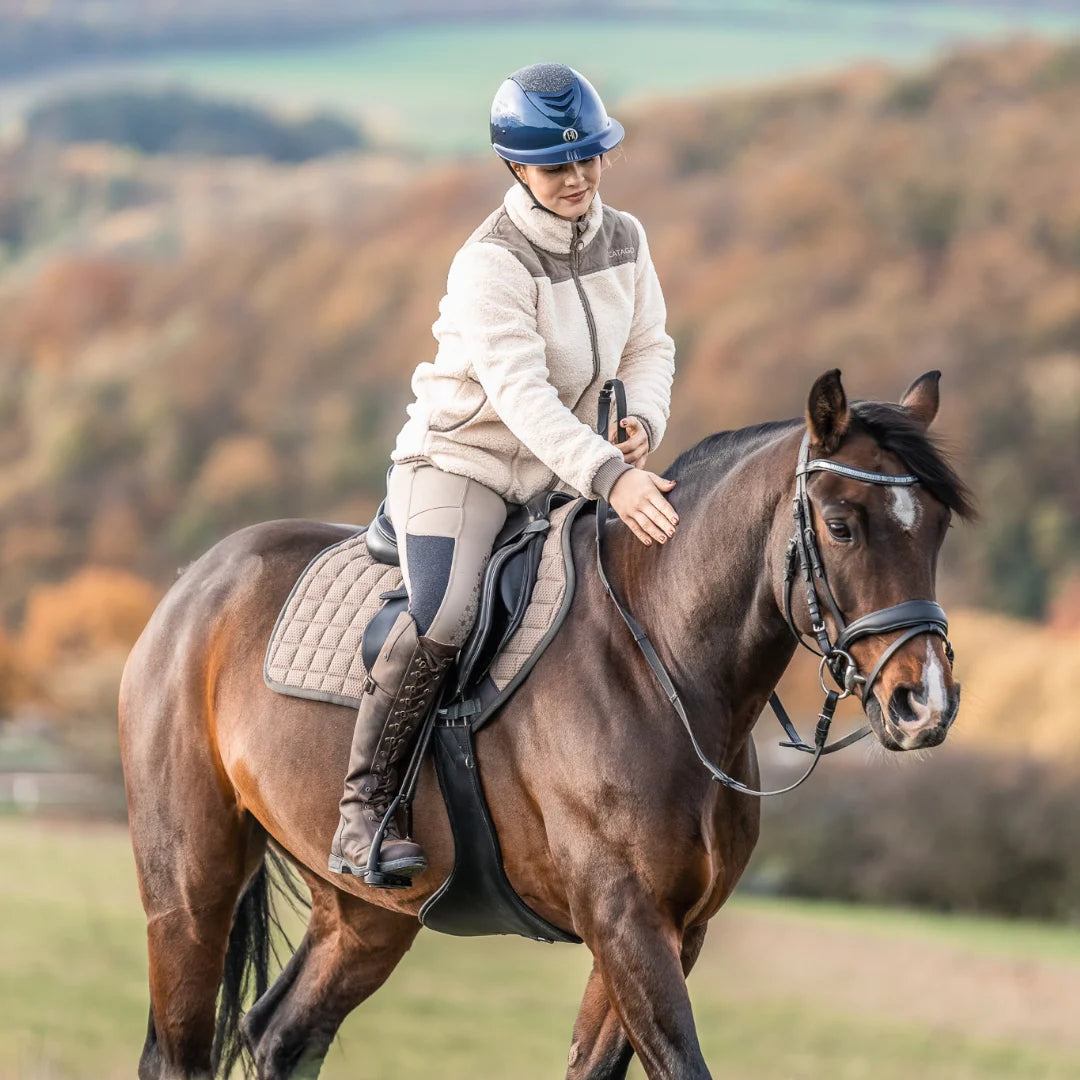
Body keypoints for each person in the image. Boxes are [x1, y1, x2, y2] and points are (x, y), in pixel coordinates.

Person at [328, 62, 679, 884]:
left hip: (566, 471)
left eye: (590, 158)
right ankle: (364, 808)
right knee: (446, 615)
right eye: (557, 165)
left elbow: (649, 345)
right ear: (516, 167)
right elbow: (519, 396)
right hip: (465, 463)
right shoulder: (489, 262)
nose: (579, 177)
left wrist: (643, 424)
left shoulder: (625, 237)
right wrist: (608, 473)